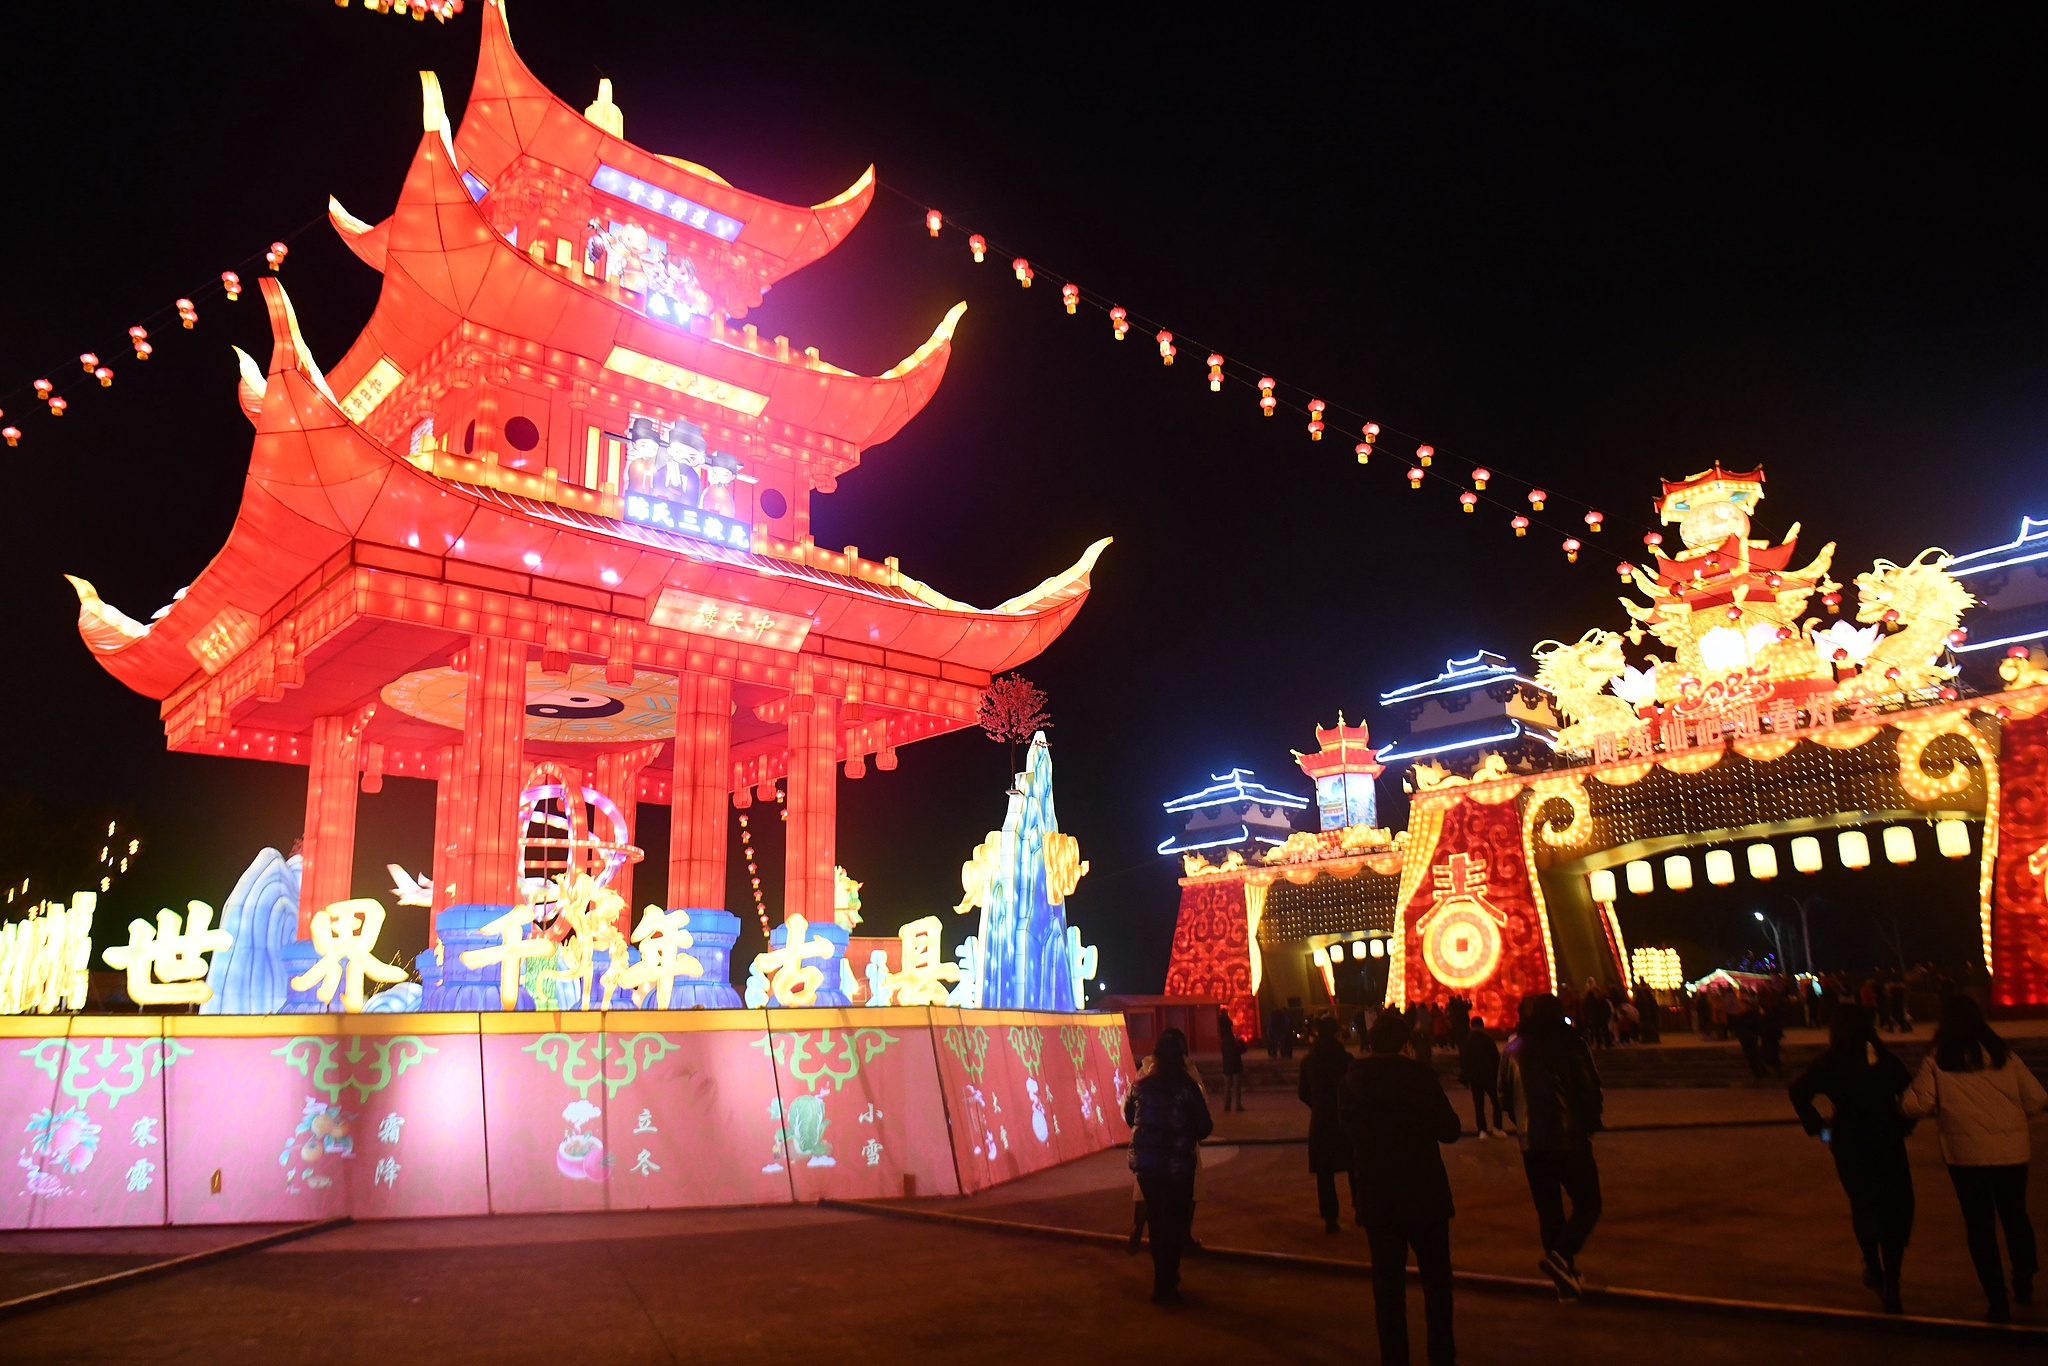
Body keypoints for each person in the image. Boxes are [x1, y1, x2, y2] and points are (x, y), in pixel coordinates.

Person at [1902, 995, 2046, 1321]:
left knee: (1979, 1226)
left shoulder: (1938, 1060)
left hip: (1966, 1158)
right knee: (2016, 1216)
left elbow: (1915, 1105)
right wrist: (2015, 1118)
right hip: (2013, 1153)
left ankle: (1997, 1300)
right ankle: (2024, 1280)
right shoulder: (2003, 1055)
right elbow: (2036, 1098)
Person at [1342, 1009, 1463, 1366]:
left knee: (1388, 1286)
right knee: (1437, 1282)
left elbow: (1347, 1129)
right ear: (1406, 1044)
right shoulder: (1420, 1078)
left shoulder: (1351, 1081)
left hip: (1378, 1193)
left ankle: (1394, 1357)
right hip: (1424, 1190)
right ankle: (1442, 1354)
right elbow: (1450, 1130)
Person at [1788, 1004, 1916, 1312]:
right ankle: (1893, 1282)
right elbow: (1913, 1095)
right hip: (1887, 1140)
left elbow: (1798, 1092)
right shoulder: (1884, 1061)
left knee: (1864, 1205)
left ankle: (1875, 1269)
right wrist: (1902, 1125)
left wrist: (1820, 1129)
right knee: (1894, 1209)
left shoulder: (1828, 1063)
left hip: (1849, 1143)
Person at [1499, 993, 1605, 1297]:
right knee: (1589, 1203)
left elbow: (1504, 1096)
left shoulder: (1512, 1049)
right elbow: (1590, 1088)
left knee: (1549, 1212)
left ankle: (1565, 1284)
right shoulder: (1573, 1042)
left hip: (1532, 1142)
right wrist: (1590, 1122)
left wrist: (1523, 1122)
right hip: (1571, 1139)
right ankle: (1561, 1256)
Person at [1123, 1027, 1213, 1304]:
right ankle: (1166, 1284)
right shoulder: (1188, 1087)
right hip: (1177, 1168)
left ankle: (1163, 1279)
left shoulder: (1140, 1085)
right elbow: (1204, 1126)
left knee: (1158, 1224)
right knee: (1173, 1225)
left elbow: (1129, 1117)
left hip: (1147, 1168)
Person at [1299, 1016, 1357, 1232]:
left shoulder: (1309, 1060)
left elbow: (1302, 1093)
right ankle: (1359, 1208)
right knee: (1354, 1166)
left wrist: (1318, 1105)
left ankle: (1330, 1218)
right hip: (1346, 1118)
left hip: (1321, 1120)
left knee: (1325, 1174)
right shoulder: (1347, 1059)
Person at [1459, 1016, 1505, 1137]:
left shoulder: (1467, 1040)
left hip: (1475, 1077)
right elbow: (1496, 1058)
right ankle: (1497, 1127)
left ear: (1471, 1025)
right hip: (1490, 1075)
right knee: (1496, 1102)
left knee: (1479, 1104)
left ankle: (1482, 1130)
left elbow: (1464, 1060)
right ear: (1482, 1025)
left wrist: (1465, 1077)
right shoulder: (1488, 1039)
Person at [1218, 1010, 1247, 1113]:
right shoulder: (1233, 1042)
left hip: (1227, 1067)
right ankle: (1238, 1105)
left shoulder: (1223, 1043)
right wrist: (1240, 1041)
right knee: (1236, 1087)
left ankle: (1226, 1105)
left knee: (1227, 1087)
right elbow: (1243, 1049)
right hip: (1236, 1067)